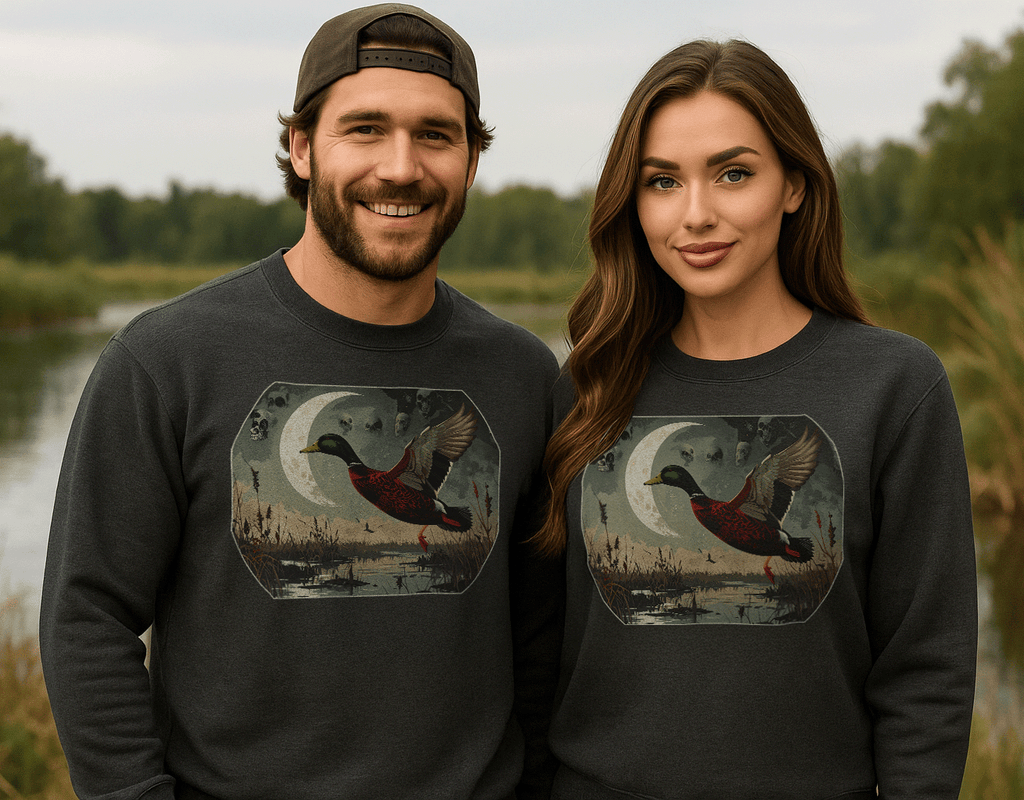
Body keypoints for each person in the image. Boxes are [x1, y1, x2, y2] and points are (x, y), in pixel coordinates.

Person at [40, 5, 559, 799]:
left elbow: (539, 637)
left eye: (435, 134)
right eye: (365, 129)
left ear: (471, 160)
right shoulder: (165, 361)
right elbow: (87, 618)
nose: (400, 167)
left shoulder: (523, 375)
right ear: (302, 147)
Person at [534, 39, 977, 799]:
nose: (696, 214)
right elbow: (533, 654)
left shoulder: (893, 387)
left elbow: (927, 673)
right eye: (662, 182)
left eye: (733, 174)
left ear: (795, 185)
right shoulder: (584, 391)